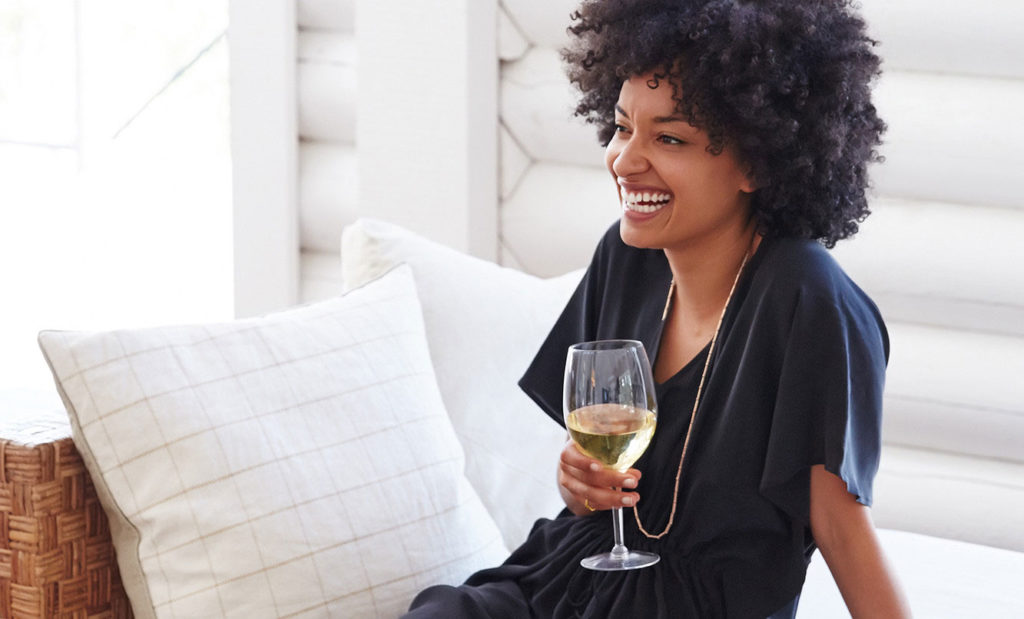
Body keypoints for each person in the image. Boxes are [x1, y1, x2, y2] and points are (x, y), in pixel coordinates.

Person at [406, 0, 911, 616]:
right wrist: (581, 486)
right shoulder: (627, 256)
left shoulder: (806, 298)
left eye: (669, 137)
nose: (624, 160)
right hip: (566, 583)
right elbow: (597, 482)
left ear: (757, 160)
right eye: (622, 127)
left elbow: (840, 527)